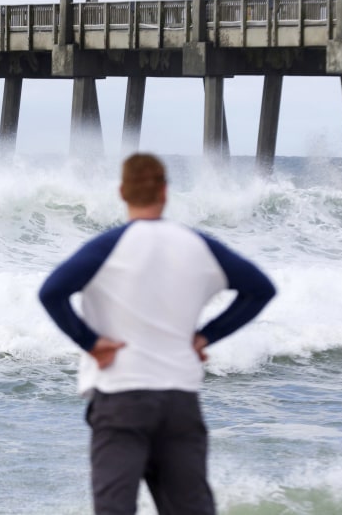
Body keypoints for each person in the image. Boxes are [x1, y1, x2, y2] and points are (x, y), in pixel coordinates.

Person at [38, 153, 276, 515]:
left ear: (122, 191)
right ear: (165, 191)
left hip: (121, 397)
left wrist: (91, 343)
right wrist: (206, 336)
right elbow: (260, 289)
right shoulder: (198, 244)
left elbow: (51, 292)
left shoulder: (107, 247)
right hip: (179, 400)